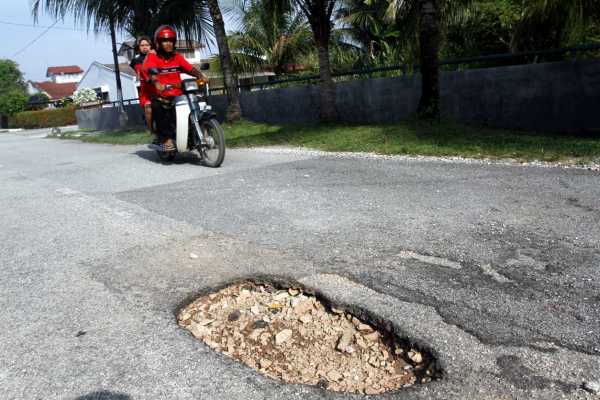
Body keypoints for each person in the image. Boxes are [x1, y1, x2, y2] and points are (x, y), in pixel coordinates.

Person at [143, 25, 209, 151]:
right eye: (164, 41)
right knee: (159, 109)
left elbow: (189, 68)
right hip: (162, 95)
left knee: (195, 104)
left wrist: (201, 75)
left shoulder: (177, 57)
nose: (168, 44)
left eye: (170, 41)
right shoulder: (153, 57)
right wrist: (157, 83)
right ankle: (166, 139)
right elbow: (151, 71)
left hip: (178, 94)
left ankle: (195, 133)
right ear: (158, 43)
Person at [129, 36, 156, 141]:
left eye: (147, 45)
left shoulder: (156, 56)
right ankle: (152, 132)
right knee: (148, 108)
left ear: (151, 46)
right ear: (138, 47)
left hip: (160, 88)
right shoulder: (136, 60)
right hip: (146, 90)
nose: (145, 47)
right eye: (142, 45)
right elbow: (138, 72)